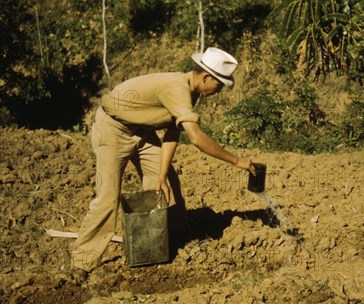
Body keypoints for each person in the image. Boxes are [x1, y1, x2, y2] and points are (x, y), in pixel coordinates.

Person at [71, 47, 255, 282]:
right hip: (113, 129)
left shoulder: (191, 92)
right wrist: (237, 161)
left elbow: (172, 132)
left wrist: (161, 173)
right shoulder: (177, 89)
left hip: (141, 131)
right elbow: (196, 138)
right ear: (206, 77)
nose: (218, 92)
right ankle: (82, 262)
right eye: (218, 86)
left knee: (167, 181)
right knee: (108, 197)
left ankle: (179, 238)